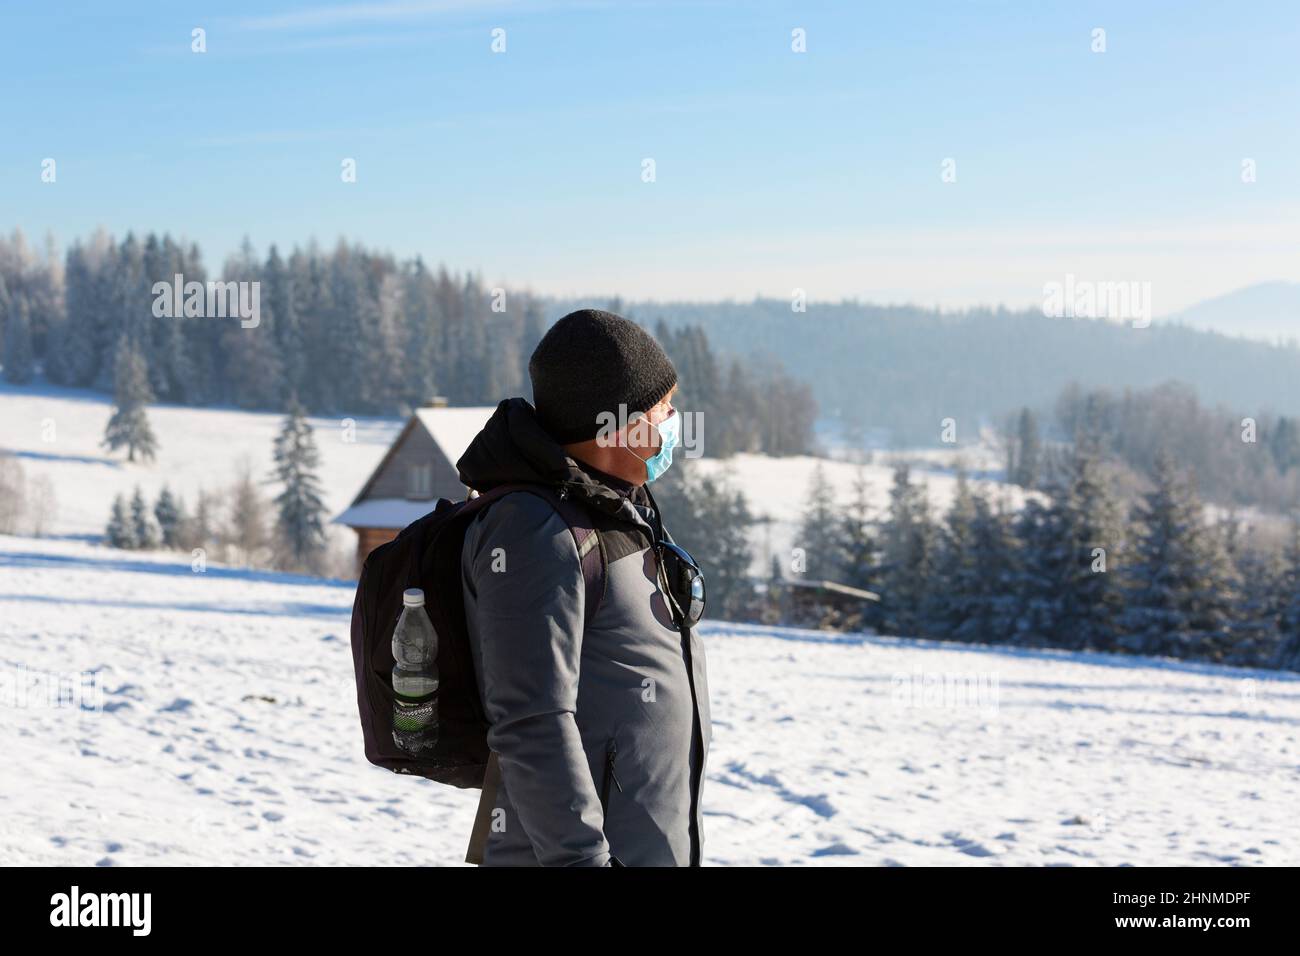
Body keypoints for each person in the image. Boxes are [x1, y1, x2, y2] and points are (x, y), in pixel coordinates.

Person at [456, 308, 711, 866]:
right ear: (617, 426)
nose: (675, 422)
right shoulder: (534, 531)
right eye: (663, 409)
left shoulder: (614, 509)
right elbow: (531, 720)